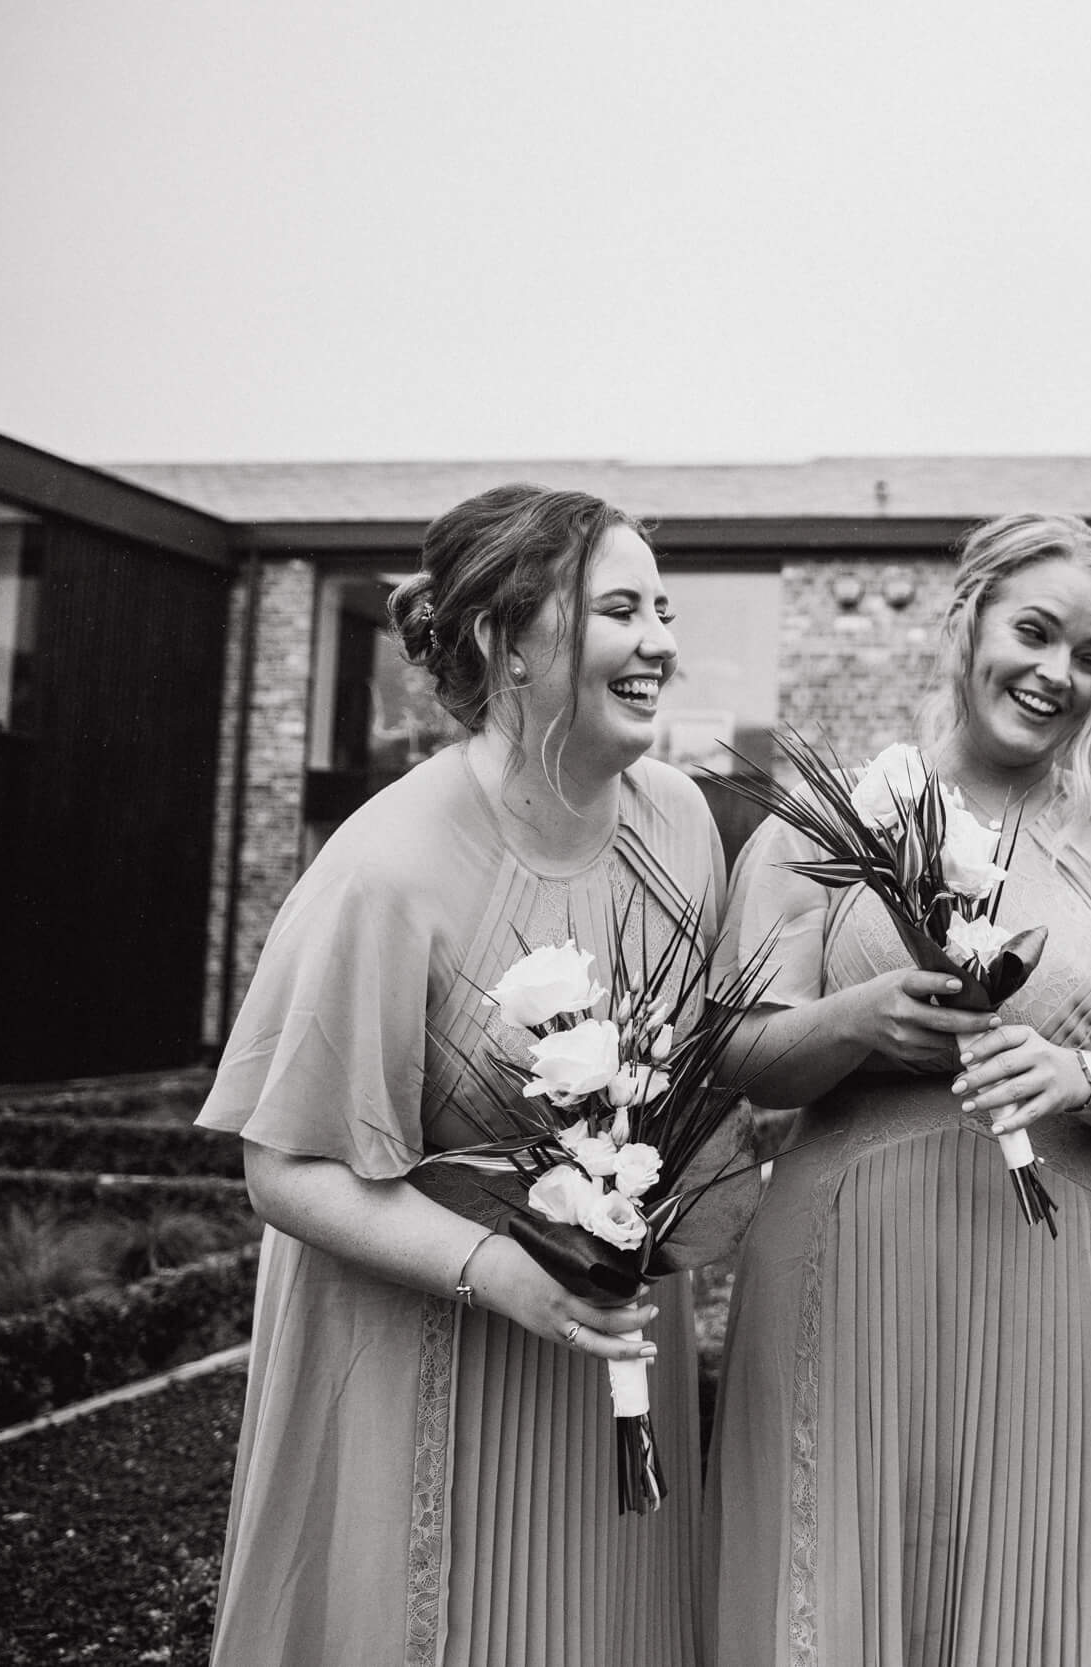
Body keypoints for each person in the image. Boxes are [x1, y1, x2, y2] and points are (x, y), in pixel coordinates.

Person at [197, 485, 723, 1666]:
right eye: (622, 610)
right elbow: (283, 1167)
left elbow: (695, 1077)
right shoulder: (385, 867)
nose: (662, 643)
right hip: (432, 1357)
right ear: (504, 640)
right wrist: (498, 1271)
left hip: (613, 1360)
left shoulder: (681, 824)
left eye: (666, 609)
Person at [703, 512, 1091, 1667]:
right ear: (966, 621)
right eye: (1034, 632)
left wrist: (1078, 1070)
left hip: (1074, 1275)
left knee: (1064, 1591)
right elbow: (741, 1052)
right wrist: (858, 1017)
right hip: (851, 1270)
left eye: (1090, 657)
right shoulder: (826, 824)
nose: (1057, 674)